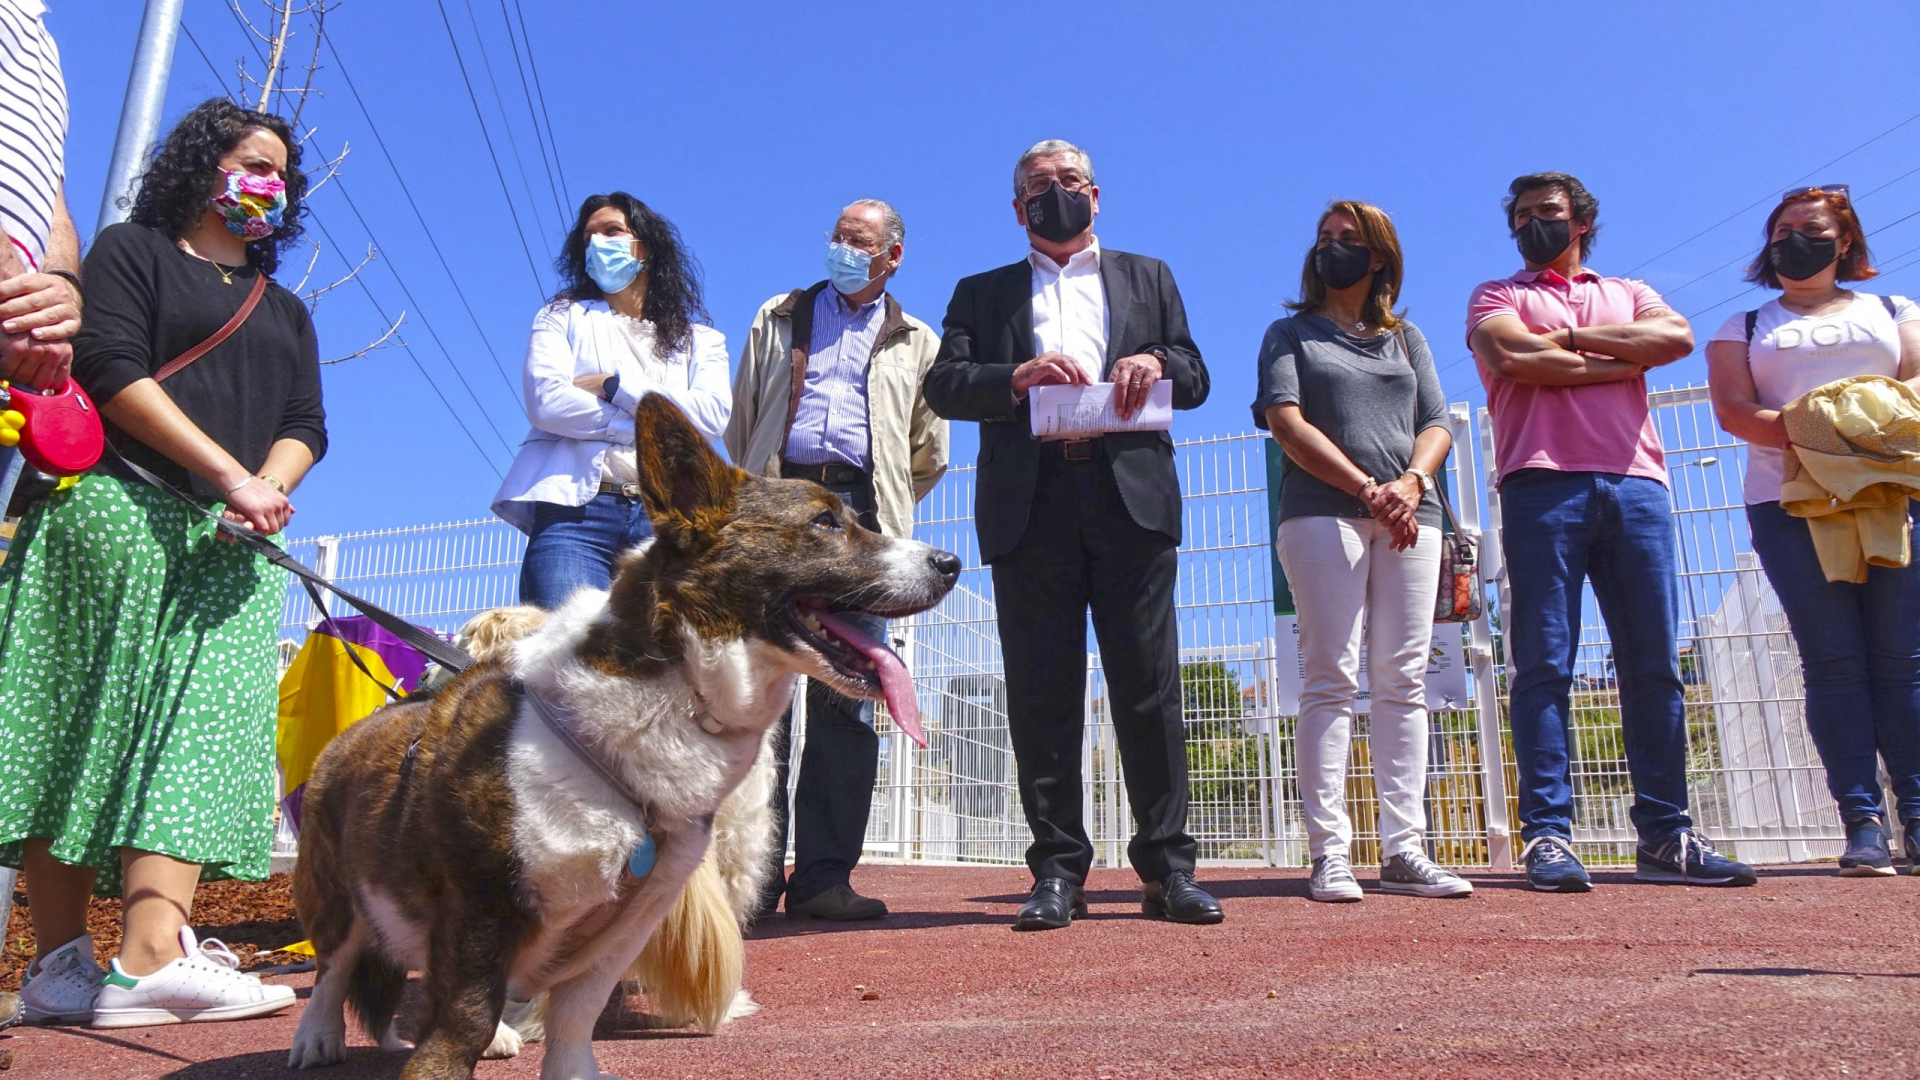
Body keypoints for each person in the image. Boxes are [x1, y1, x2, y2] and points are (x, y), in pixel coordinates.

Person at [0, 98, 325, 1027]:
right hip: (114, 512)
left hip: (232, 540)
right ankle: (59, 967)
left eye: (279, 173)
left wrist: (263, 485)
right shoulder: (128, 253)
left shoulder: (288, 309)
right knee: (76, 722)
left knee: (203, 721)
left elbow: (308, 423)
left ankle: (150, 953)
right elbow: (107, 363)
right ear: (200, 167)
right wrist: (225, 474)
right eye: (248, 163)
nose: (265, 183)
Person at [924, 139, 1219, 930]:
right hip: (1032, 501)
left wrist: (1155, 360)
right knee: (1042, 693)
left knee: (1149, 688)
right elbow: (943, 384)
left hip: (1131, 500)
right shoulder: (981, 293)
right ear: (1016, 208)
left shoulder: (1148, 276)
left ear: (1099, 194)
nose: (1056, 194)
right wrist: (1010, 378)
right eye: (1038, 187)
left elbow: (1195, 374)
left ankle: (1168, 869)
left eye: (1070, 182)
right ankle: (1057, 872)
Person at [1467, 171, 1755, 892]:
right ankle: (1549, 836)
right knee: (1542, 665)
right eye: (1524, 216)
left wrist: (1565, 340)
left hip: (1636, 488)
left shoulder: (1629, 289)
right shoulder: (1497, 296)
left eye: (1550, 213)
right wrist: (1618, 360)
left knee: (1653, 665)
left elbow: (1675, 337)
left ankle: (1665, 834)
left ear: (1581, 222)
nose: (1536, 224)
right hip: (1539, 486)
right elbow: (1508, 355)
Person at [726, 199, 948, 920]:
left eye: (859, 242)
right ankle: (752, 882)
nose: (842, 250)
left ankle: (824, 879)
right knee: (762, 701)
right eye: (836, 238)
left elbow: (929, 452)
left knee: (847, 698)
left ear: (893, 256)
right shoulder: (779, 314)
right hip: (780, 507)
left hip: (861, 522)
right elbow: (740, 421)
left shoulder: (919, 340)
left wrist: (875, 505)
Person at [1255, 201, 1471, 903]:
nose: (1331, 250)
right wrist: (1368, 488)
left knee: (1404, 678)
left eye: (1348, 241)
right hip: (1323, 514)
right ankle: (1331, 854)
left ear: (1378, 257)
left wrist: (1410, 484)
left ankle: (1405, 850)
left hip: (1414, 516)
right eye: (1323, 239)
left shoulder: (1407, 338)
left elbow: (1436, 422)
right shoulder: (1289, 334)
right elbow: (1286, 422)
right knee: (1331, 678)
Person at [1705, 185, 1920, 876]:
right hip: (1791, 502)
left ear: (1846, 241)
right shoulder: (1741, 325)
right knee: (1831, 661)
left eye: (1812, 227)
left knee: (1902, 660)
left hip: (1894, 495)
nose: (1795, 239)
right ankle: (1861, 821)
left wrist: (1859, 443)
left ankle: (1916, 815)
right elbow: (1735, 412)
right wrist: (1825, 439)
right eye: (1782, 230)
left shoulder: (1895, 311)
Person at [493, 192, 729, 607]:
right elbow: (548, 404)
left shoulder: (702, 341)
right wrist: (653, 428)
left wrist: (611, 387)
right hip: (575, 516)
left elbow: (709, 420)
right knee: (565, 658)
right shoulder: (560, 316)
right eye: (589, 236)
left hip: (665, 522)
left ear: (647, 248)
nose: (598, 243)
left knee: (659, 664)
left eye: (612, 231)